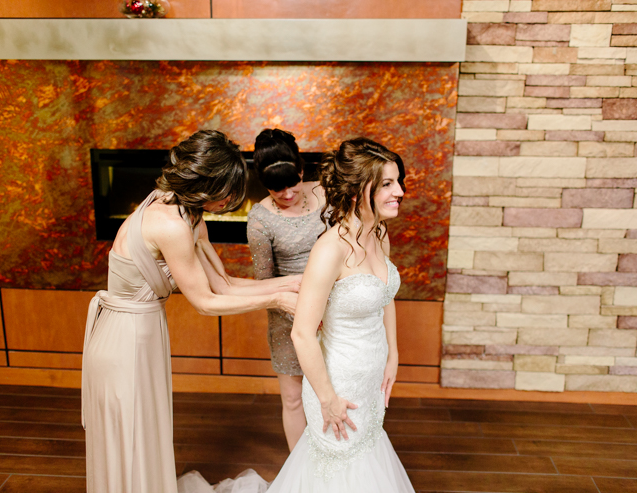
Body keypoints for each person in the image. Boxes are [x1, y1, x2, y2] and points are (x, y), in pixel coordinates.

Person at [81, 130, 298, 493]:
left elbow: (223, 284)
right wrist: (276, 300)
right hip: (124, 341)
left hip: (144, 332)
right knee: (131, 436)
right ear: (207, 183)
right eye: (228, 190)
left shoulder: (186, 213)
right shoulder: (171, 224)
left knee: (146, 433)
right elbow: (205, 302)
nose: (232, 199)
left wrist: (290, 283)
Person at [265, 137, 415, 492]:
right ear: (357, 190)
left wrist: (393, 354)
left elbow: (383, 297)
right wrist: (328, 399)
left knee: (366, 457)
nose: (401, 192)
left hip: (371, 373)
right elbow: (302, 333)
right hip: (338, 382)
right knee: (339, 468)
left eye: (399, 181)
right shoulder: (329, 250)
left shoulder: (379, 233)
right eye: (388, 184)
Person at [246, 129, 326, 451]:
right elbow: (266, 283)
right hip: (289, 317)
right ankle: (301, 471)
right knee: (293, 397)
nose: (287, 194)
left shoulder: (324, 193)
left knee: (331, 389)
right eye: (276, 188)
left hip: (337, 307)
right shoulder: (260, 220)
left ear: (301, 170)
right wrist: (302, 311)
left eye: (292, 184)